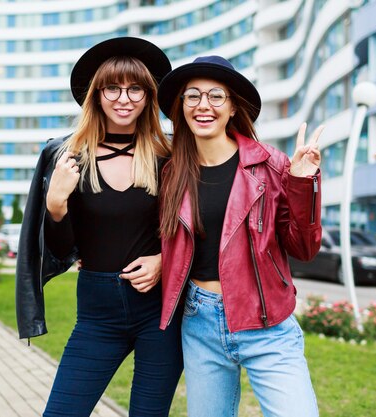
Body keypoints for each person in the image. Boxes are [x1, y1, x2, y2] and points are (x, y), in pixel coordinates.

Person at [15, 37, 183, 417]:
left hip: (159, 311)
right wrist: (56, 205)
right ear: (97, 94)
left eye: (135, 88)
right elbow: (59, 249)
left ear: (148, 96)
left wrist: (162, 259)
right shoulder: (66, 155)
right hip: (97, 312)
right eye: (113, 88)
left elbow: (194, 226)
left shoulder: (169, 154)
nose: (124, 99)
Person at [156, 55, 323, 417]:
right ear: (181, 106)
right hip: (199, 322)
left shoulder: (273, 165)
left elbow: (304, 248)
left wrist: (301, 182)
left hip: (267, 323)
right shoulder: (171, 173)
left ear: (232, 107)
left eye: (216, 96)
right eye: (193, 96)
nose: (204, 105)